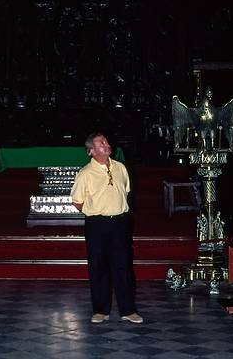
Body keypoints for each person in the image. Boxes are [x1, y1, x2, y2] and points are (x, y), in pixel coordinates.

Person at [71, 132, 143, 324]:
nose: (107, 144)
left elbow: (126, 191)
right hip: (97, 224)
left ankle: (128, 309)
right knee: (98, 267)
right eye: (101, 143)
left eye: (107, 141)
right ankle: (101, 310)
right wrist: (94, 211)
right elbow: (77, 201)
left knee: (123, 267)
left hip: (120, 222)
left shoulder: (120, 168)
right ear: (91, 151)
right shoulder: (85, 173)